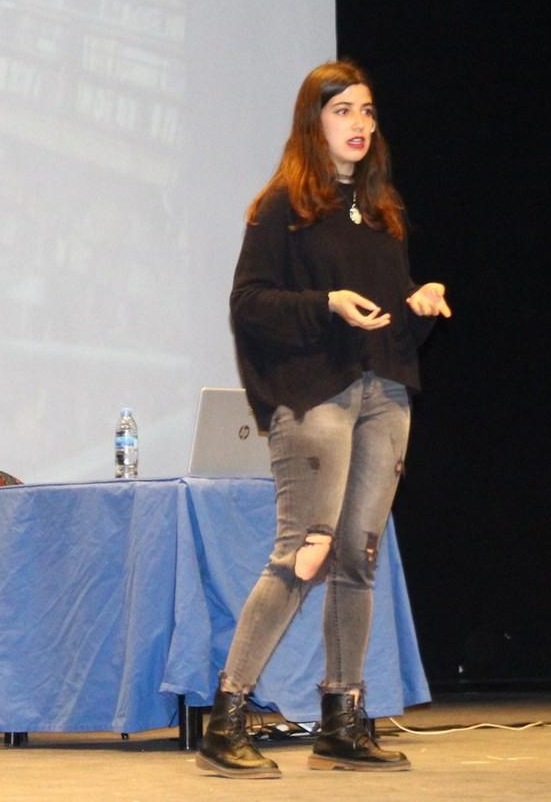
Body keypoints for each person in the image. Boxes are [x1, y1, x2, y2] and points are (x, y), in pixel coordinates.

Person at [196, 60, 450, 779]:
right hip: (316, 396)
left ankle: (342, 719)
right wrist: (324, 303)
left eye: (368, 112)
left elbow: (389, 327)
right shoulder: (282, 207)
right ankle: (228, 717)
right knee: (304, 552)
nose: (361, 125)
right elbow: (248, 305)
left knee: (357, 559)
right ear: (315, 124)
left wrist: (418, 307)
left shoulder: (381, 216)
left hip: (385, 396)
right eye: (344, 112)